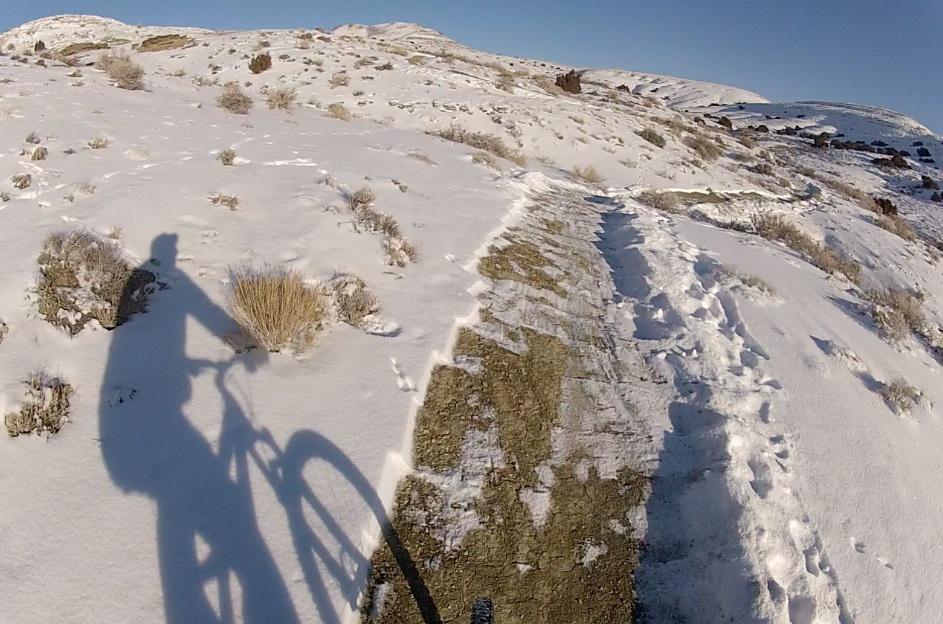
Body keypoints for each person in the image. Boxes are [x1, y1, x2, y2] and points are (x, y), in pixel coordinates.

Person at [98, 233, 298, 624]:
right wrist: (248, 345)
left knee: (175, 511)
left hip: (120, 452)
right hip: (161, 423)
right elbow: (204, 309)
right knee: (241, 532)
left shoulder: (147, 279)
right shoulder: (172, 280)